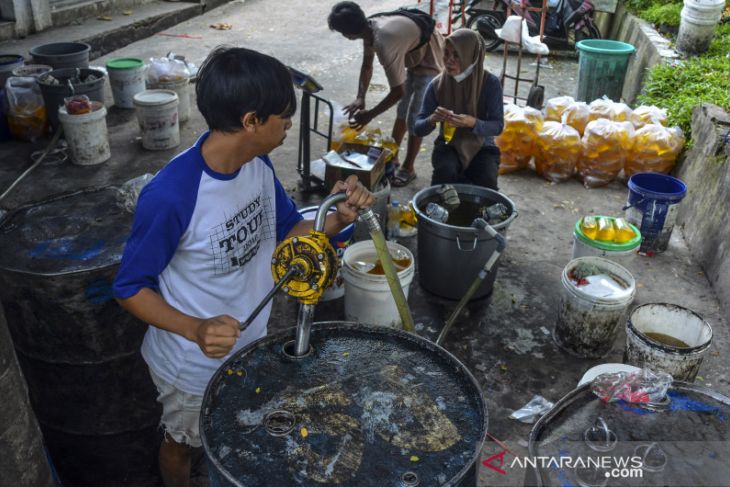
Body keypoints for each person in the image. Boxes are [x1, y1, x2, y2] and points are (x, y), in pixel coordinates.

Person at [112, 46, 374, 487]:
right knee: (184, 443)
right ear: (251, 121)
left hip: (248, 340)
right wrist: (195, 329)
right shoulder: (172, 195)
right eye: (283, 117)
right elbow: (130, 287)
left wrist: (335, 221)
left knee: (230, 428)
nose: (290, 125)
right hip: (192, 360)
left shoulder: (256, 163)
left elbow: (288, 226)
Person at [328, 1, 445, 187]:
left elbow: (398, 91)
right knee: (402, 110)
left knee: (416, 115)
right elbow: (367, 66)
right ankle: (393, 157)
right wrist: (360, 97)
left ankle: (408, 168)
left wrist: (370, 114)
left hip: (430, 51)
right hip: (413, 50)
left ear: (348, 34)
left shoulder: (384, 41)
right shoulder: (368, 29)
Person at [414, 28, 504, 190]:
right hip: (449, 144)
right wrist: (432, 119)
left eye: (457, 55)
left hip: (483, 145)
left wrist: (473, 123)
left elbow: (497, 126)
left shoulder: (490, 83)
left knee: (487, 179)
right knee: (445, 174)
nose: (449, 60)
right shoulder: (437, 85)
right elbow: (418, 128)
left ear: (471, 57)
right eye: (446, 53)